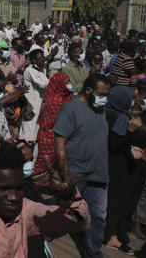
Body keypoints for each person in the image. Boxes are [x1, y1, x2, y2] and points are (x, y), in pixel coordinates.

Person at [53, 74, 111, 258]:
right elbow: (59, 141)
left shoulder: (100, 108)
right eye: (101, 94)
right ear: (88, 91)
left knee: (98, 217)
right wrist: (64, 171)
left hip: (98, 173)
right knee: (63, 212)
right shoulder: (71, 109)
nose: (104, 99)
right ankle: (40, 237)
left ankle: (93, 252)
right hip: (75, 174)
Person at [104, 84, 146, 253]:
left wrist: (128, 146)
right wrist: (129, 132)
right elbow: (115, 143)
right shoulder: (115, 117)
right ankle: (111, 235)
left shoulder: (118, 115)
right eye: (130, 98)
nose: (133, 102)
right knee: (116, 199)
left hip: (121, 163)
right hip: (116, 166)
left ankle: (117, 233)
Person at [32, 72, 74, 186]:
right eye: (66, 82)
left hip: (60, 135)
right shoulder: (55, 101)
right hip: (50, 135)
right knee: (46, 162)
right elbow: (55, 122)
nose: (69, 84)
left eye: (69, 81)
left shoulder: (67, 96)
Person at [20, 49, 49, 142]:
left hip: (39, 103)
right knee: (29, 133)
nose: (42, 60)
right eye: (39, 58)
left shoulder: (42, 69)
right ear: (34, 61)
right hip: (30, 105)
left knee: (37, 131)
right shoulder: (29, 70)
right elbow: (42, 83)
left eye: (43, 57)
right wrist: (41, 70)